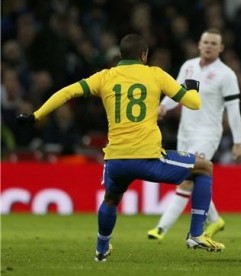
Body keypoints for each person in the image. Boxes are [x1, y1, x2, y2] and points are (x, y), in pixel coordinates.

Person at [16, 33, 225, 262]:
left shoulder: (105, 76)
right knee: (204, 167)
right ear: (144, 55)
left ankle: (101, 249)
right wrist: (192, 88)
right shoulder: (155, 74)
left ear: (120, 55)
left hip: (115, 160)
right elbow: (194, 104)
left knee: (111, 200)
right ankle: (196, 233)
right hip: (149, 159)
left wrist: (36, 115)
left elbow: (68, 92)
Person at [147, 28, 241, 241]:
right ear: (199, 45)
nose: (209, 46)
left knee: (187, 176)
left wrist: (238, 142)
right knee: (194, 176)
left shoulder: (226, 74)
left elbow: (233, 110)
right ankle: (215, 220)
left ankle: (161, 229)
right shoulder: (188, 66)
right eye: (206, 42)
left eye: (213, 43)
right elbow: (177, 93)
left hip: (208, 133)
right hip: (186, 132)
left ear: (221, 48)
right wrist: (164, 107)